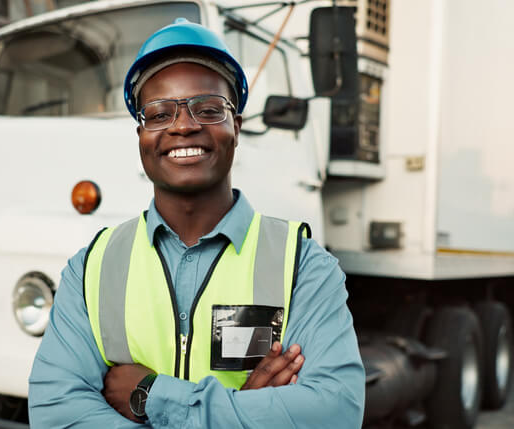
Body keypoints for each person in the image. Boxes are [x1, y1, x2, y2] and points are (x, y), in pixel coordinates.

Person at [28, 18, 364, 428]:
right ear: (141, 137)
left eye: (207, 109)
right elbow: (56, 412)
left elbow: (333, 412)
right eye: (159, 113)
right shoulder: (92, 269)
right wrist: (243, 409)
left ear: (236, 127)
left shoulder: (303, 267)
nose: (183, 125)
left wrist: (153, 395)